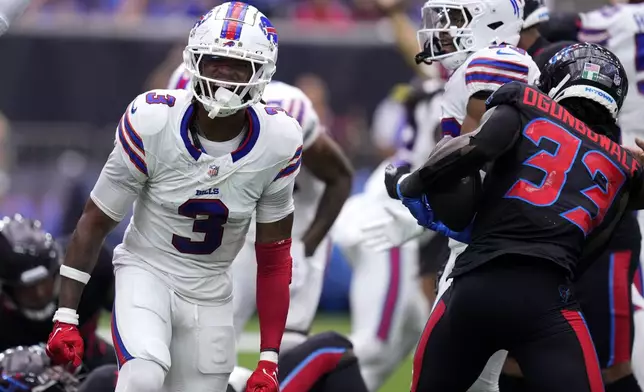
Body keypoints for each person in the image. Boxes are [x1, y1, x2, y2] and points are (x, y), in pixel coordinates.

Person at [44, 3, 303, 392]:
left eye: (239, 65)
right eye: (215, 60)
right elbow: (95, 219)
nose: (224, 74)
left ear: (262, 73)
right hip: (147, 269)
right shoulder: (152, 120)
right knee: (143, 375)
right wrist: (66, 315)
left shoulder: (279, 140)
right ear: (194, 59)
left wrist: (269, 358)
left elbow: (273, 258)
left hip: (213, 288)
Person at [387, 42, 639, 392]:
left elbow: (475, 147)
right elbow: (592, 246)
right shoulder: (623, 165)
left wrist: (409, 184)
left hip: (476, 286)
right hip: (548, 300)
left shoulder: (524, 102)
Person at [167, 67, 354, 354]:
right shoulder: (180, 126)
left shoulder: (287, 113)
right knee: (211, 341)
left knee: (288, 347)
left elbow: (340, 177)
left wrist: (307, 246)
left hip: (296, 227)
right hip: (240, 229)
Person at [332, 78, 442, 391]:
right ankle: (291, 381)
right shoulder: (446, 99)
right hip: (390, 227)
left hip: (397, 220)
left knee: (410, 334)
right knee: (374, 344)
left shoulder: (431, 92)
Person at [0, 214, 115, 371]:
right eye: (27, 288)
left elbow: (134, 313)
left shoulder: (89, 267)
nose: (39, 293)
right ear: (6, 290)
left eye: (44, 282)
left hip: (91, 361)